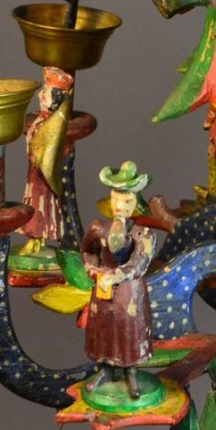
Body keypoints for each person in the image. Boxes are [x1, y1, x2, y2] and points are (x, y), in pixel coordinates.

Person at [82, 161, 158, 399]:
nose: (119, 206)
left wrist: (116, 275)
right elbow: (87, 251)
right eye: (116, 199)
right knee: (103, 329)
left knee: (128, 331)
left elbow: (139, 262)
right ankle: (105, 370)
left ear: (135, 203)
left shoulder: (142, 234)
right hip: (103, 291)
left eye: (126, 201)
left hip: (129, 293)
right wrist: (93, 271)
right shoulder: (98, 228)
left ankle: (130, 373)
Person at [20, 66, 74, 255]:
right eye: (43, 91)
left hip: (42, 174)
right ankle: (33, 239)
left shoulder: (53, 125)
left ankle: (38, 238)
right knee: (32, 202)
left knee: (41, 205)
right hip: (33, 173)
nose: (41, 96)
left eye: (47, 93)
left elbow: (49, 154)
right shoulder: (39, 120)